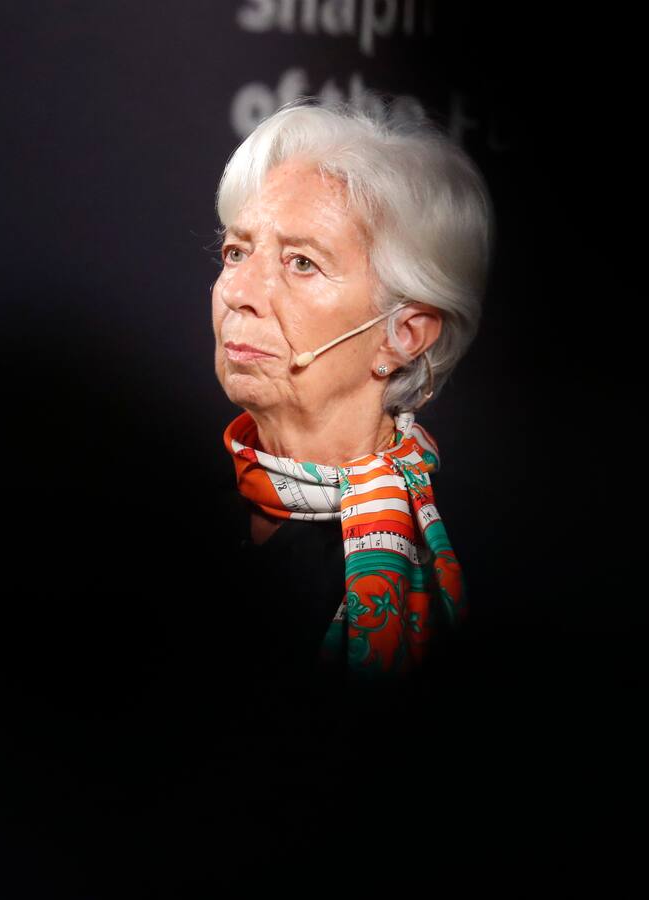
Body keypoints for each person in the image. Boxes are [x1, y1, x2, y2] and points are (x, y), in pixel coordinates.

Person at [202, 98, 494, 728]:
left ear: (403, 335)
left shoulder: (479, 551)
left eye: (302, 262)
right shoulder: (151, 511)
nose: (239, 293)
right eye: (236, 252)